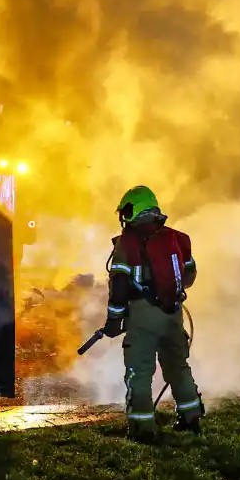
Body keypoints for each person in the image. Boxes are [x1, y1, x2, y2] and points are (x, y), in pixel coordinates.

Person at [103, 185, 204, 443]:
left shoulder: (127, 243)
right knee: (178, 366)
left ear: (132, 210)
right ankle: (191, 418)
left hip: (143, 316)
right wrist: (166, 289)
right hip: (173, 313)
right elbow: (189, 275)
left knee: (140, 372)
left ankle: (142, 429)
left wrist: (114, 319)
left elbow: (119, 285)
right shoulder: (178, 238)